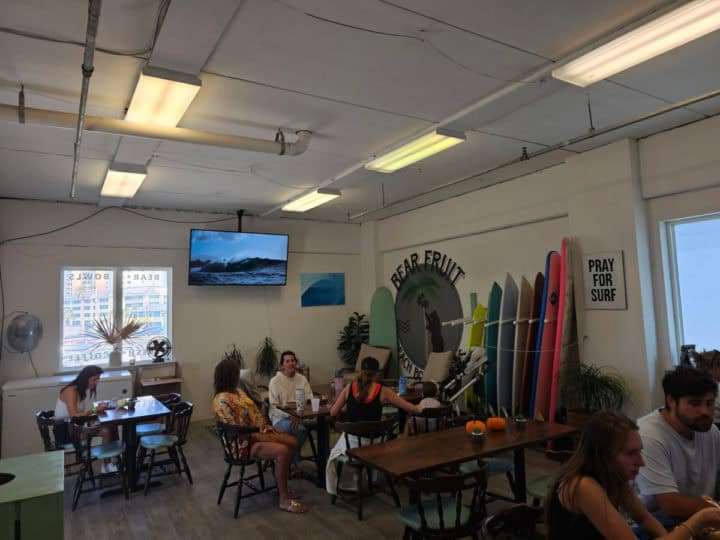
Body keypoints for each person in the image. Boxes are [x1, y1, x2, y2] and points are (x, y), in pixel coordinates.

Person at [545, 410, 720, 539]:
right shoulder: (583, 486)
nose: (641, 462)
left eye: (639, 452)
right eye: (630, 453)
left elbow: (644, 518)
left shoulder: (614, 477)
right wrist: (699, 520)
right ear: (603, 455)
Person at [212, 357, 308, 513]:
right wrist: (261, 434)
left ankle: (281, 485)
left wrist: (266, 428)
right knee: (284, 450)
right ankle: (284, 499)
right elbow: (237, 432)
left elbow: (254, 413)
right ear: (230, 375)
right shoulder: (222, 400)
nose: (239, 376)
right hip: (242, 444)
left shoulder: (237, 391)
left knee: (292, 441)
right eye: (236, 373)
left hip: (257, 433)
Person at [636, 365, 720, 527]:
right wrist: (715, 509)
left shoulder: (710, 431)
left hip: (700, 518)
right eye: (694, 403)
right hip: (652, 524)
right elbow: (670, 505)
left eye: (709, 403)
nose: (705, 411)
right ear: (671, 401)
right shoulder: (647, 436)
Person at [326, 356, 422, 494]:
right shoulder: (383, 391)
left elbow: (334, 412)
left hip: (352, 444)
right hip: (375, 443)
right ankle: (362, 478)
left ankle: (345, 483)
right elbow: (410, 408)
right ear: (377, 373)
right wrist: (421, 407)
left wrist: (349, 407)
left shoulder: (349, 388)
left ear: (360, 371)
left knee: (335, 448)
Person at [54, 365, 115, 473]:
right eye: (94, 379)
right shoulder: (71, 391)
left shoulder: (79, 390)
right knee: (106, 430)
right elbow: (74, 415)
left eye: (98, 379)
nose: (96, 382)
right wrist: (95, 410)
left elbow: (79, 415)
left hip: (73, 426)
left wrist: (96, 411)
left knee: (110, 426)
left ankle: (108, 462)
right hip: (65, 431)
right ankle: (107, 464)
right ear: (85, 378)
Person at [268, 351, 315, 463]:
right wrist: (291, 415)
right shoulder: (275, 381)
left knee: (324, 423)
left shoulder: (302, 379)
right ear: (282, 365)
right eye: (287, 361)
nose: (291, 363)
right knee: (300, 430)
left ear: (296, 363)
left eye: (293, 360)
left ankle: (325, 459)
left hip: (301, 417)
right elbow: (274, 407)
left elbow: (310, 399)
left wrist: (300, 415)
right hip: (281, 419)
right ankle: (293, 461)